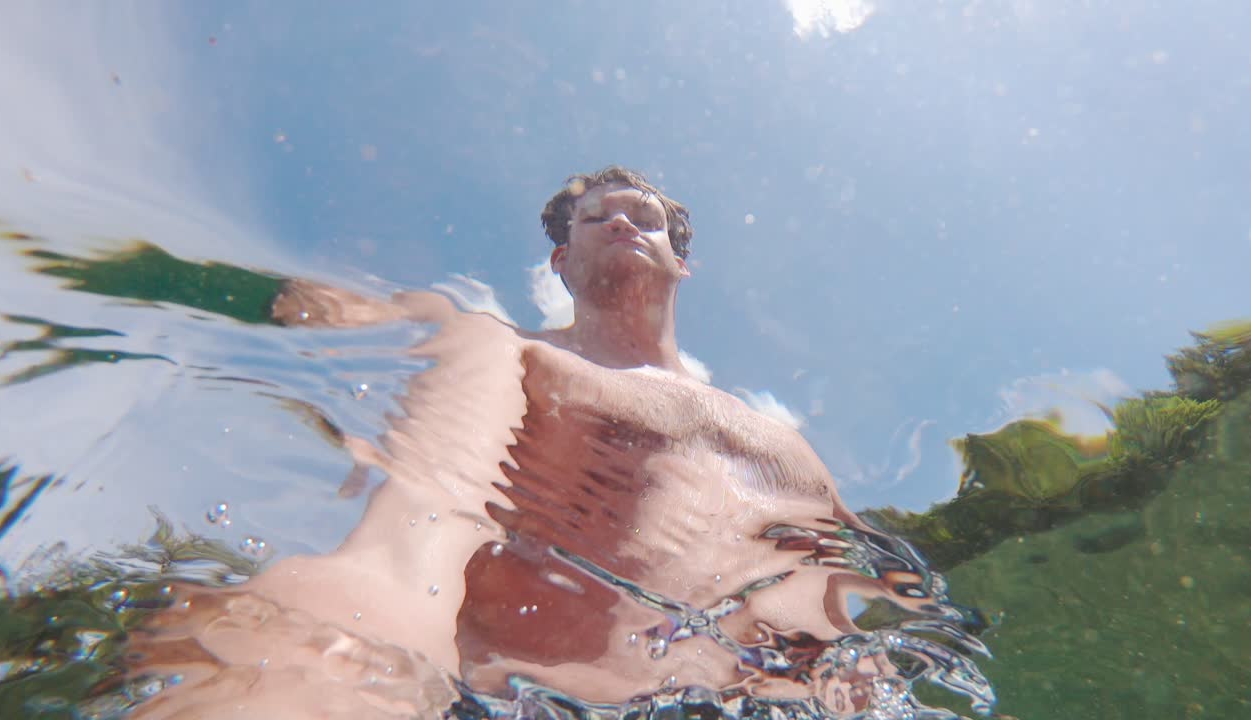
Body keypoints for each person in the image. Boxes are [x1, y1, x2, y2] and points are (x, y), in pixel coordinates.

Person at [128, 167, 890, 719]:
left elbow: (836, 630)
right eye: (597, 218)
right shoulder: (507, 351)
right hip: (495, 694)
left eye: (643, 218)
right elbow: (420, 515)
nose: (623, 224)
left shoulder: (784, 447)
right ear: (560, 263)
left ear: (681, 261)